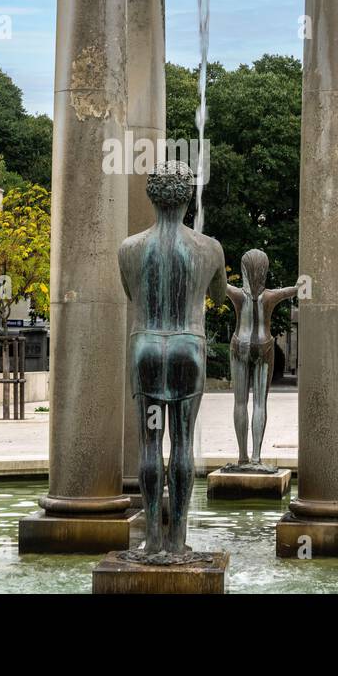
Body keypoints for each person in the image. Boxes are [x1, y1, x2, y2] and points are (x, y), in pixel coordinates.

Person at [119, 162, 226, 559]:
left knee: (150, 443)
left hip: (146, 346)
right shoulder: (209, 247)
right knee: (182, 442)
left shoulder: (129, 248)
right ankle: (177, 540)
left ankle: (150, 539)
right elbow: (216, 294)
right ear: (188, 198)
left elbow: (133, 295)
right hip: (187, 347)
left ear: (151, 197)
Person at [226, 249, 299, 470]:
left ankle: (242, 457)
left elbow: (218, 285)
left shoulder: (238, 295)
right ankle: (256, 458)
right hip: (264, 344)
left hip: (240, 343)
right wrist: (304, 283)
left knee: (240, 402)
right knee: (260, 403)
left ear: (244, 269)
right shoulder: (269, 296)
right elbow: (292, 291)